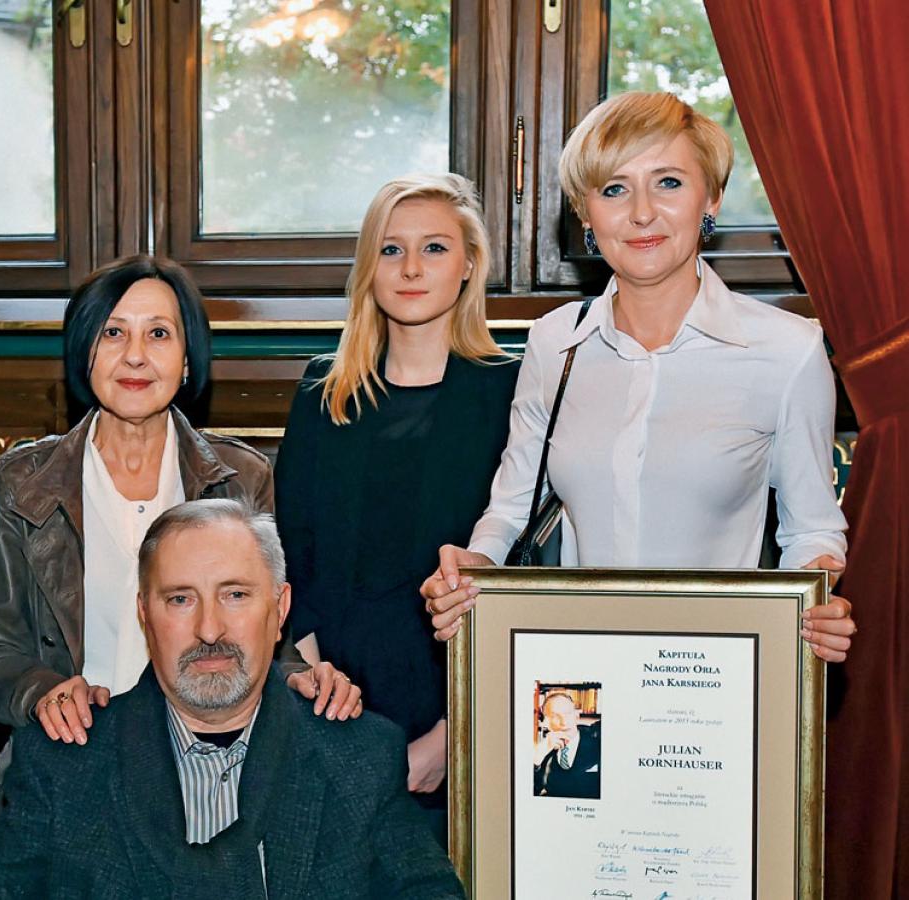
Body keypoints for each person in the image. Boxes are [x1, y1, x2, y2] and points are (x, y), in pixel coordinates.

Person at [422, 92, 856, 662]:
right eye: (614, 189)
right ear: (585, 213)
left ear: (712, 197)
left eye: (668, 182)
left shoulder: (787, 350)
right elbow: (511, 507)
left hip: (716, 669)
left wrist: (818, 601)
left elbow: (811, 531)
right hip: (575, 669)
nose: (642, 212)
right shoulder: (555, 342)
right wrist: (471, 569)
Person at [0, 499, 464, 898]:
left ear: (280, 609)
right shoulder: (63, 764)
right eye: (180, 599)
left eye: (235, 595)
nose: (209, 629)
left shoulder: (359, 756)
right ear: (145, 615)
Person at [0, 255, 361, 749]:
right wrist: (43, 692)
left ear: (187, 358)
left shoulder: (242, 477)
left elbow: (268, 635)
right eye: (113, 333)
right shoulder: (18, 484)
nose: (135, 356)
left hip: (212, 752)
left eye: (158, 334)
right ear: (83, 350)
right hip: (73, 752)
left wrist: (303, 676)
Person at [274, 173, 517, 834]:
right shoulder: (322, 392)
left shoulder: (511, 391)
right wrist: (322, 691)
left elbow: (523, 571)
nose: (411, 268)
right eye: (390, 249)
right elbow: (295, 553)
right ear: (368, 268)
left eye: (434, 248)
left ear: (468, 264)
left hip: (464, 706)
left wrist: (453, 732)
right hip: (332, 701)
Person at [532, 693, 600, 799]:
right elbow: (529, 794)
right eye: (555, 716)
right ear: (546, 722)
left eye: (568, 714)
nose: (564, 722)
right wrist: (538, 756)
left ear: (576, 715)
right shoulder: (543, 751)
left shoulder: (598, 741)